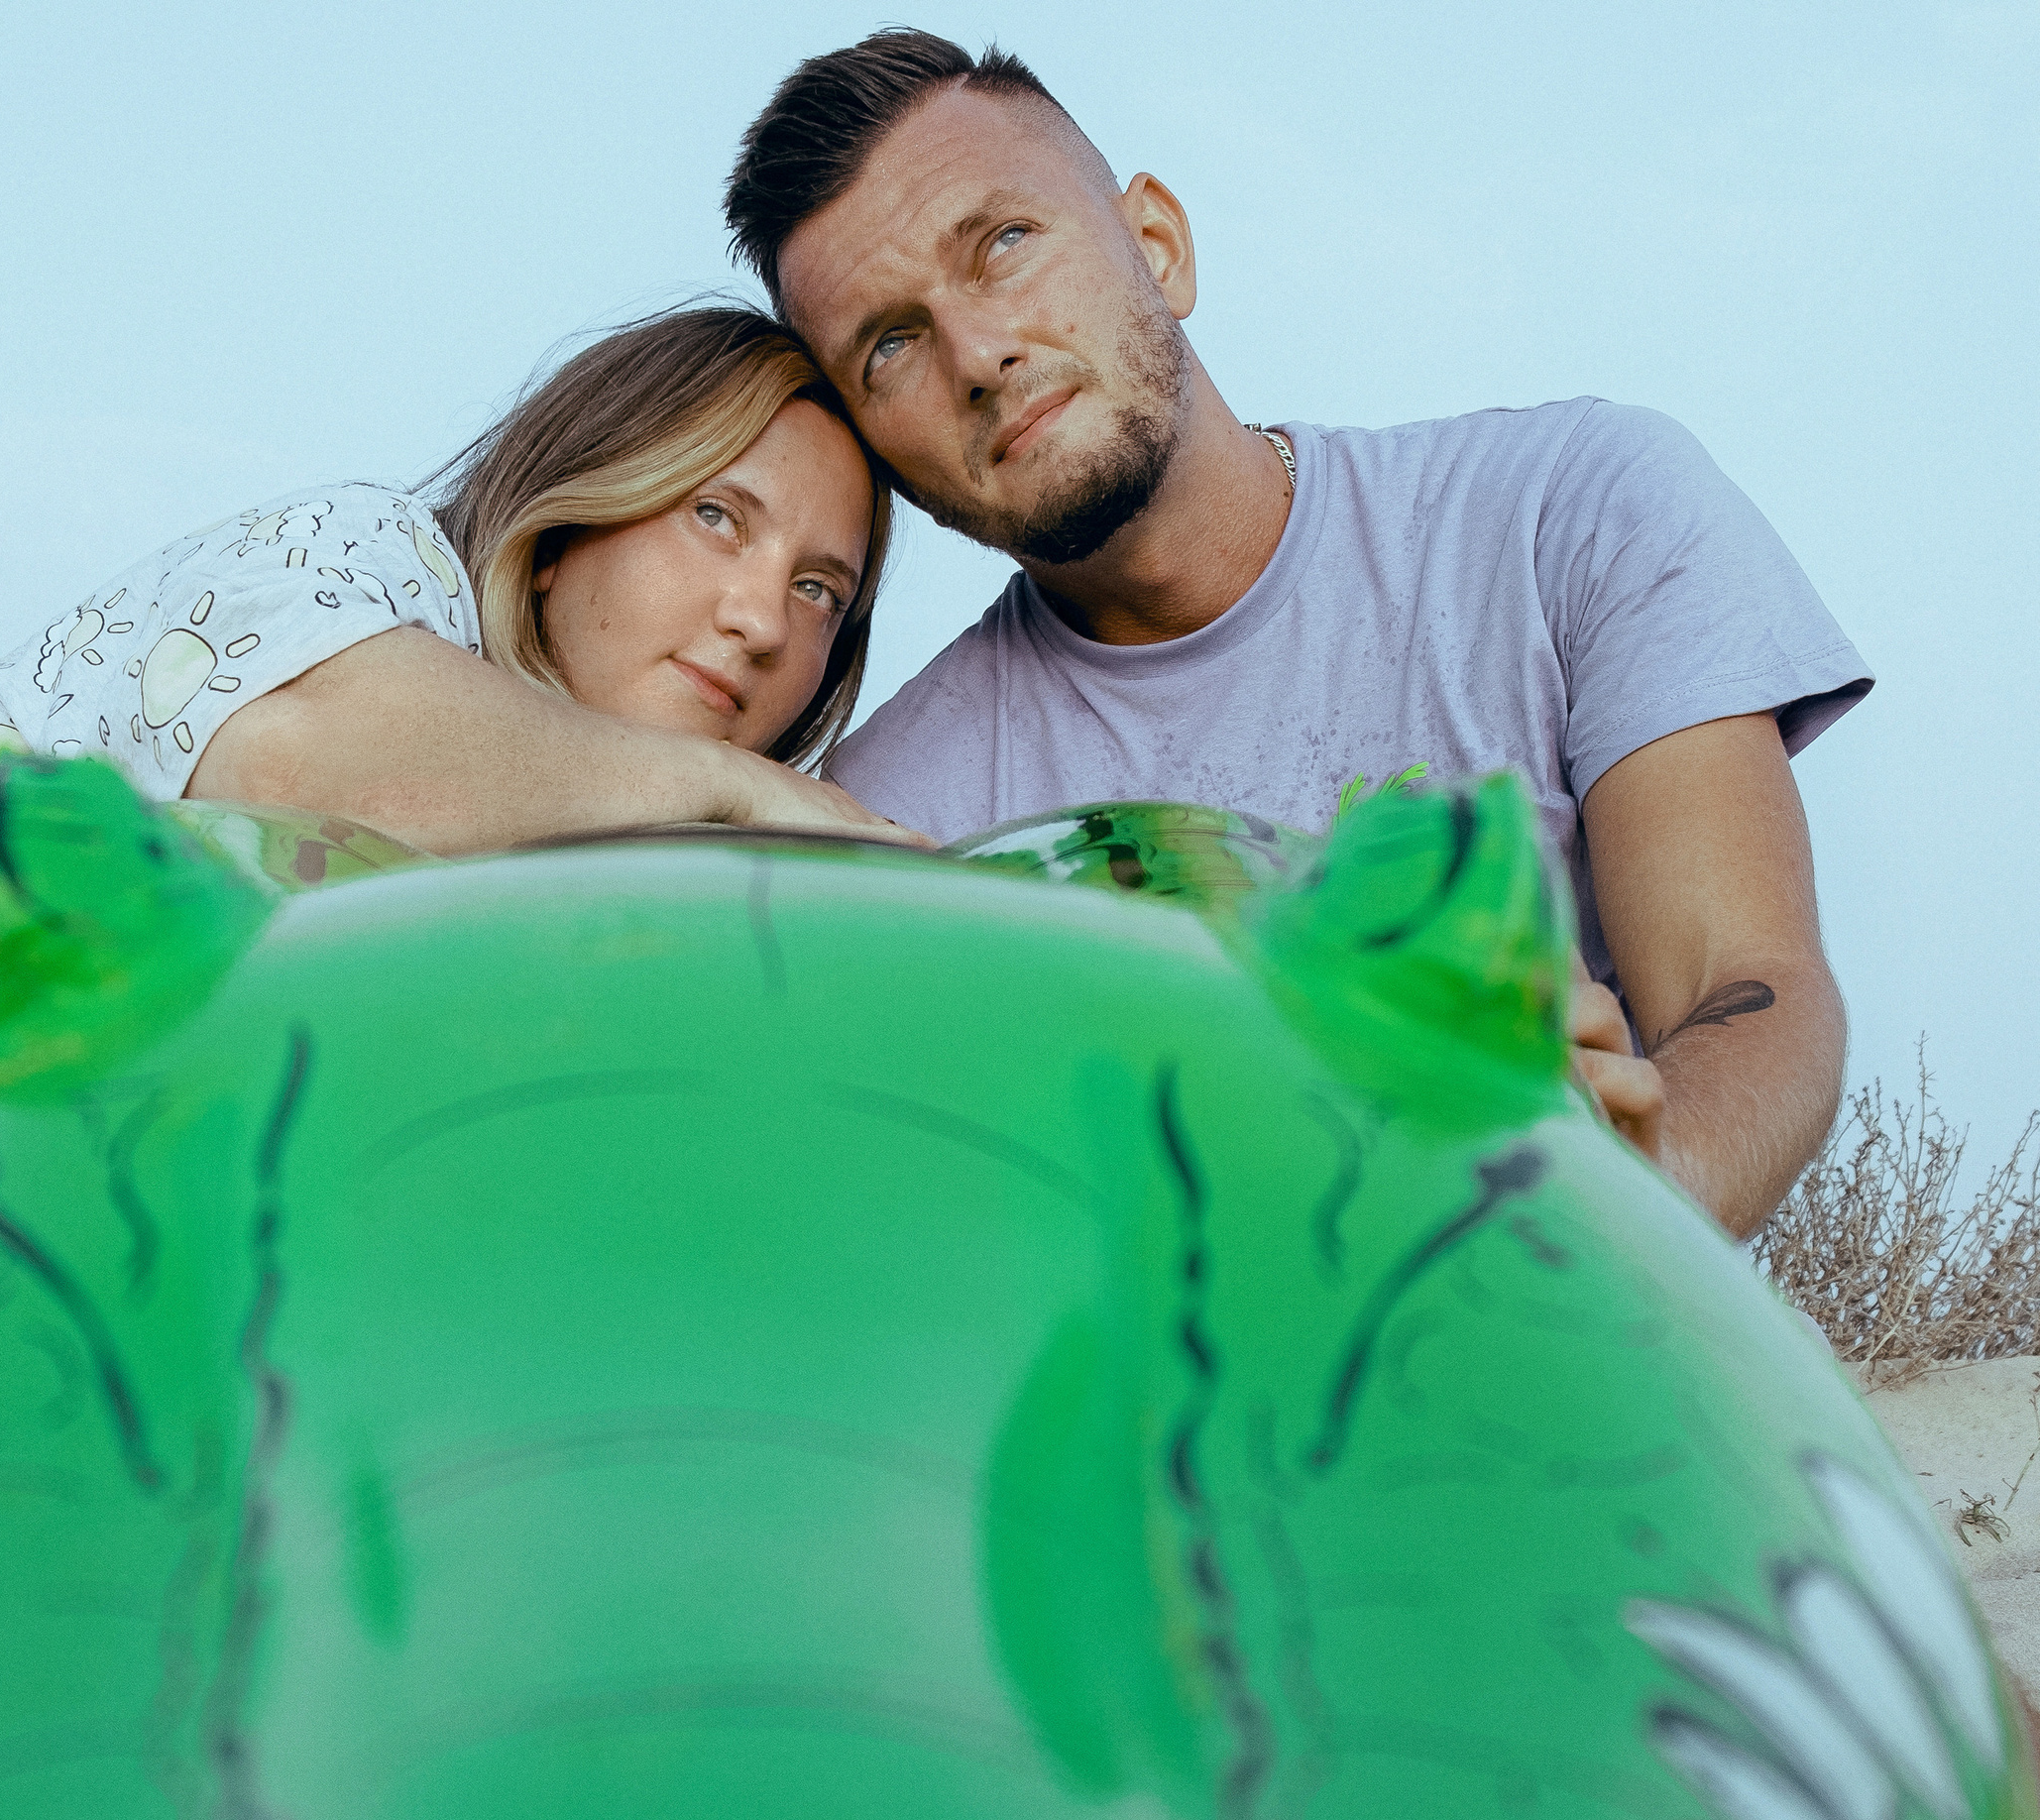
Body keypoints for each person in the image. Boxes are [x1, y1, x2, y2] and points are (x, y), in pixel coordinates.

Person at [0, 306, 908, 1546]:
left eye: (818, 591)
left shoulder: (575, 911)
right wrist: (749, 796)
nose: (760, 620)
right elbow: (305, 762)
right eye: (720, 518)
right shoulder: (368, 560)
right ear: (574, 518)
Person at [727, 32, 1864, 1242]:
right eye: (889, 343)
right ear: (878, 449)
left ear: (1156, 244)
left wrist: (1633, 1191)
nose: (977, 355)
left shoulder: (1569, 508)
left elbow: (1748, 986)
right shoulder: (895, 819)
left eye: (1002, 243)